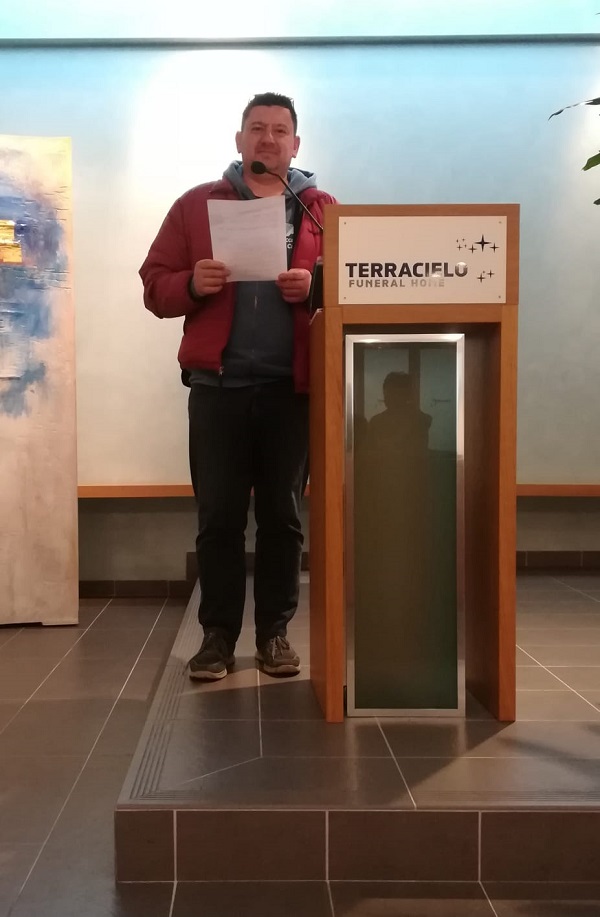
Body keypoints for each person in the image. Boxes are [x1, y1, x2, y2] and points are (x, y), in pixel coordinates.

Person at [139, 92, 336, 681]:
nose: (267, 138)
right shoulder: (197, 204)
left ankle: (274, 634)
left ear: (295, 144)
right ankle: (217, 637)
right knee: (219, 517)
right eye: (257, 128)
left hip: (290, 390)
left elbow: (357, 282)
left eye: (279, 130)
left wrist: (316, 287)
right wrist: (191, 284)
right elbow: (154, 285)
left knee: (282, 517)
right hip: (217, 387)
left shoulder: (320, 211)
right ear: (239, 139)